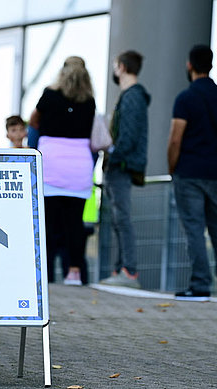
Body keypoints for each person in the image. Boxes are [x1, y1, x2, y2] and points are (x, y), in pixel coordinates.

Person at [167, 45, 217, 301]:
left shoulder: (185, 99)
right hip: (216, 173)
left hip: (189, 172)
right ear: (211, 64)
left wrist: (172, 168)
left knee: (195, 229)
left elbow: (175, 140)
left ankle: (200, 284)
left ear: (190, 65)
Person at [29, 56, 95, 285]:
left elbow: (33, 121)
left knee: (48, 222)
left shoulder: (49, 94)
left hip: (51, 163)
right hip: (80, 165)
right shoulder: (89, 101)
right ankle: (74, 272)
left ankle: (45, 274)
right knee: (74, 223)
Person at [99, 50, 150, 288]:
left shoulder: (131, 97)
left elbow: (127, 138)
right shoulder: (132, 96)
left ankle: (128, 271)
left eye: (114, 65)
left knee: (123, 219)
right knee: (119, 219)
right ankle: (122, 270)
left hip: (120, 166)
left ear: (121, 67)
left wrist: (112, 153)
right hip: (121, 164)